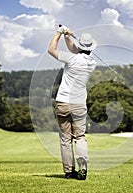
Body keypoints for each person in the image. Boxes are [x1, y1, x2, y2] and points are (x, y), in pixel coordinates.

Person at [48, 25, 97, 180]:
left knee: (65, 139)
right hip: (79, 104)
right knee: (80, 137)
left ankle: (69, 172)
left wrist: (59, 33)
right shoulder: (91, 63)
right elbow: (74, 51)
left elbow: (51, 50)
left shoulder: (72, 58)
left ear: (79, 45)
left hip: (63, 102)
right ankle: (83, 169)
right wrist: (67, 37)